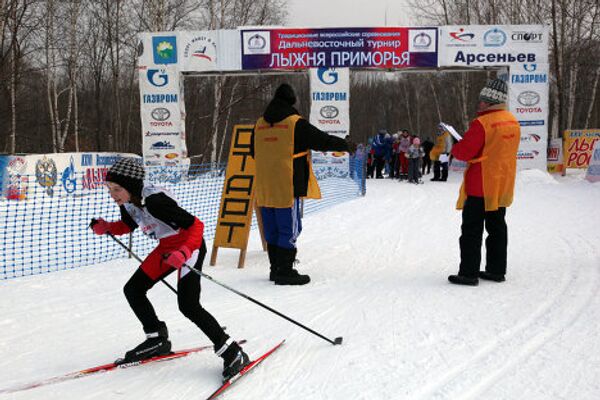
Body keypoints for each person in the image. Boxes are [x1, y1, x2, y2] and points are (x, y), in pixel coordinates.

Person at [90, 158, 249, 380]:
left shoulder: (156, 201)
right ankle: (157, 339)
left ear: (132, 185)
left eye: (117, 189)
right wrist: (108, 227)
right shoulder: (128, 202)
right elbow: (129, 224)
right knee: (133, 289)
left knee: (188, 305)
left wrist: (184, 252)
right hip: (166, 248)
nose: (113, 194)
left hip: (189, 246)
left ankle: (233, 352)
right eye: (110, 189)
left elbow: (196, 226)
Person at [252, 83, 353, 285]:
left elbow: (252, 151)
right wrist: (346, 145)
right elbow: (321, 140)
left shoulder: (259, 124)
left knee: (271, 228)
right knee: (288, 228)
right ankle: (286, 271)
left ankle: (275, 269)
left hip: (264, 184)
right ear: (292, 102)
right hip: (287, 184)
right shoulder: (294, 123)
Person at [447, 78, 520, 286]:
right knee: (497, 227)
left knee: (471, 230)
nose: (478, 104)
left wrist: (457, 144)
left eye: (481, 101)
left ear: (489, 102)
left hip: (481, 184)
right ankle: (496, 270)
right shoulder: (512, 120)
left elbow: (463, 152)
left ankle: (468, 273)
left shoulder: (482, 123)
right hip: (502, 184)